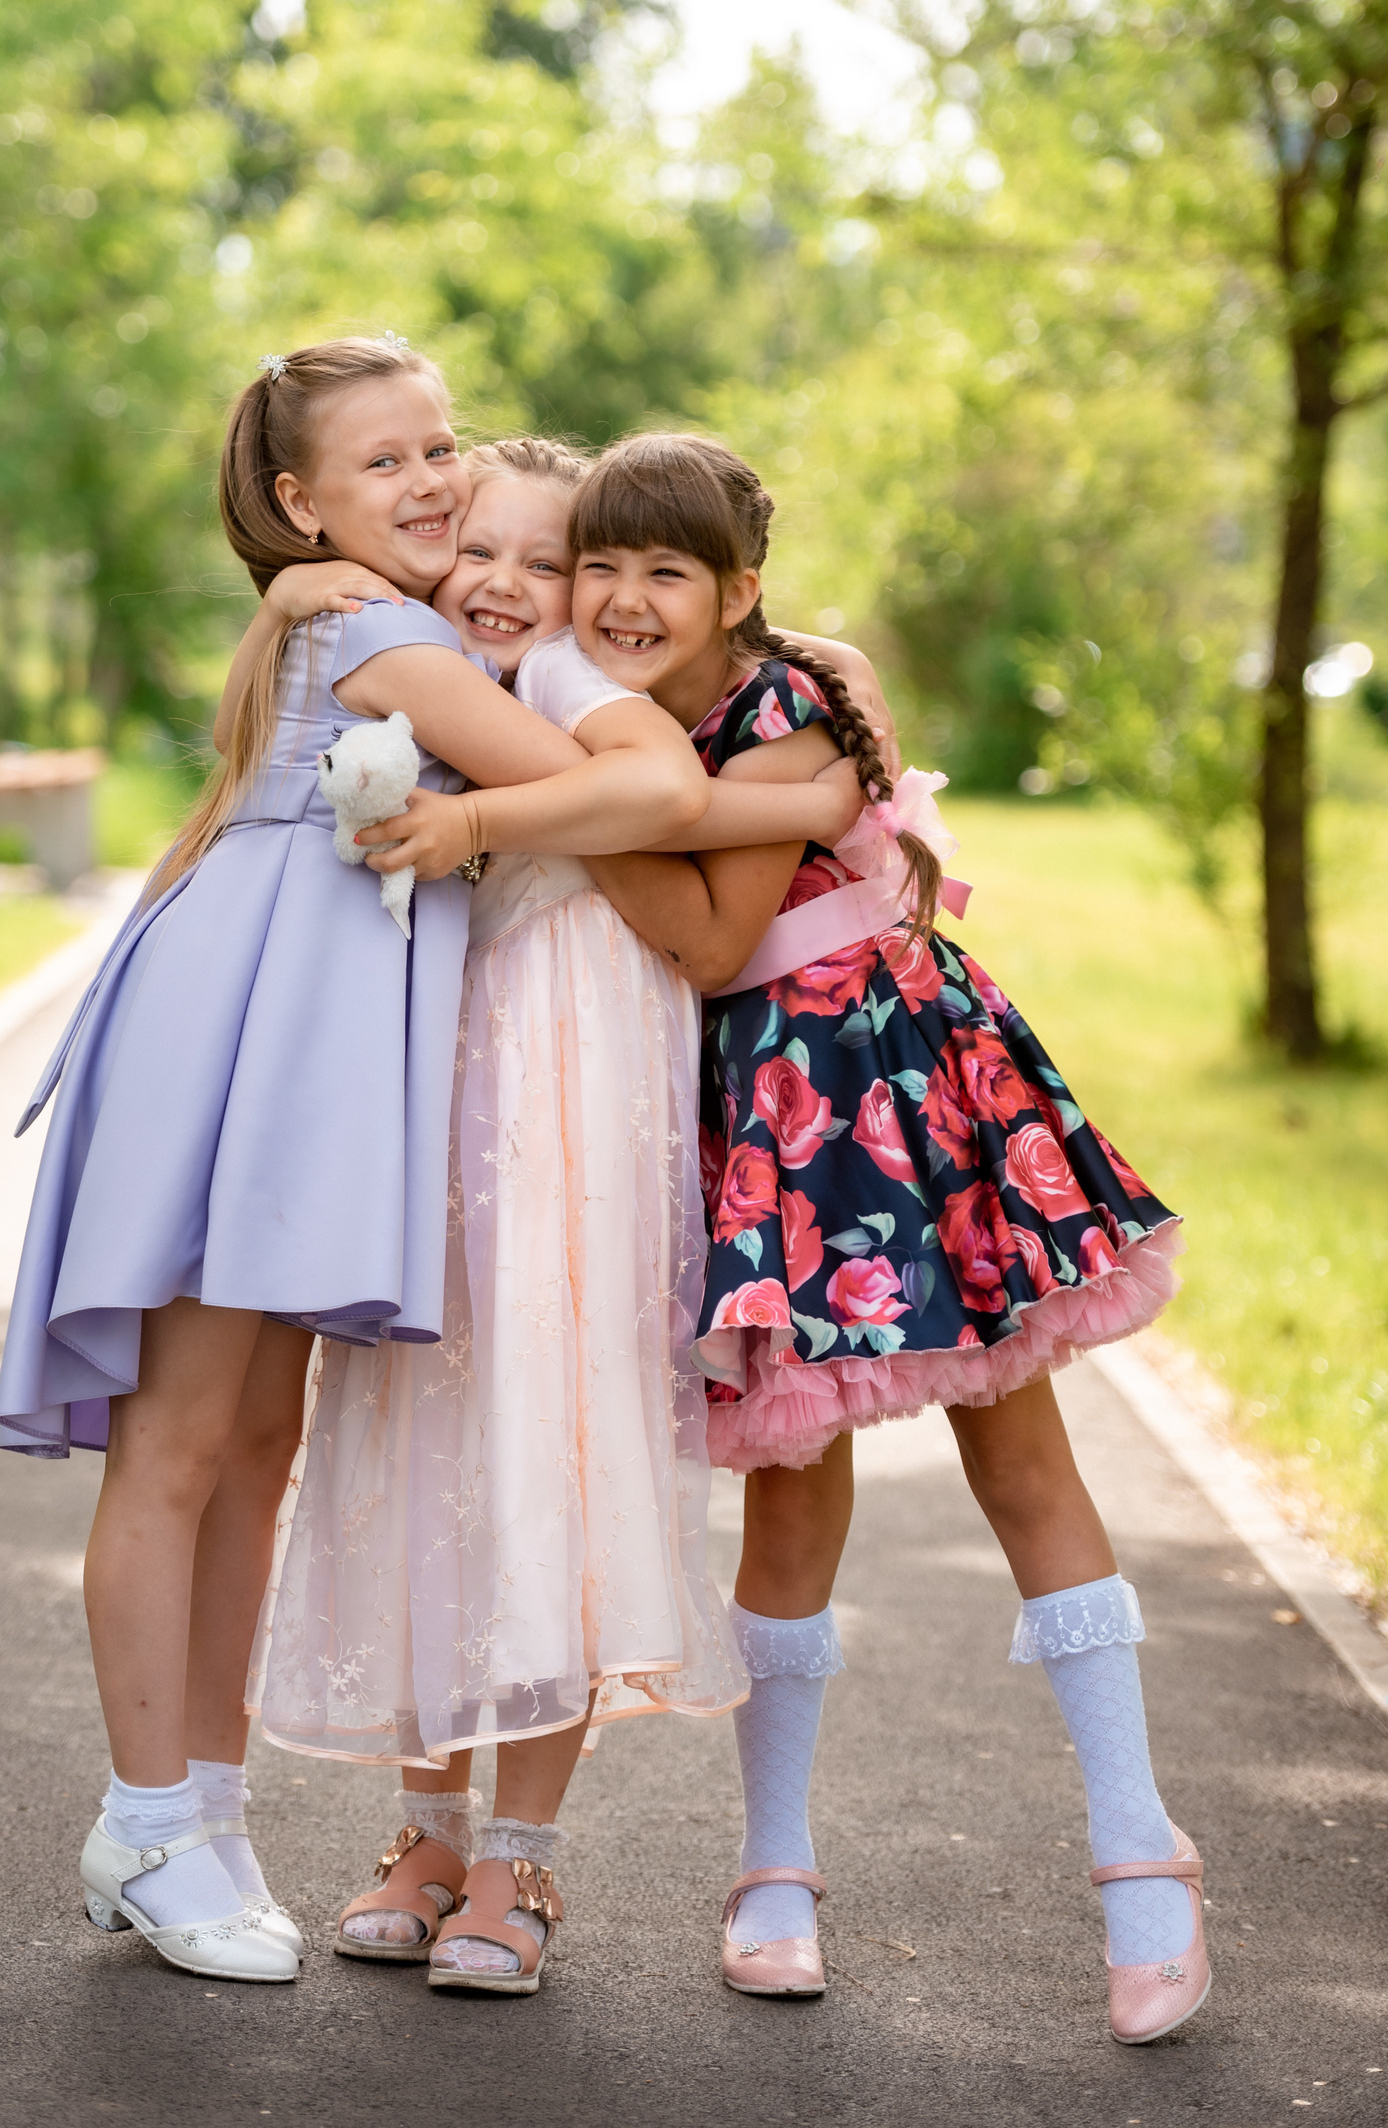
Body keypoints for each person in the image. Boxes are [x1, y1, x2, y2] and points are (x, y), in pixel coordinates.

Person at [0, 339, 719, 1984]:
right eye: (381, 463)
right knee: (182, 1442)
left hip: (288, 1049)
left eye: (438, 447)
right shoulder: (381, 630)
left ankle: (202, 1804)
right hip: (236, 1043)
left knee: (255, 1442)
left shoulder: (345, 609)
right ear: (300, 501)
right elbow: (641, 788)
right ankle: (145, 1812)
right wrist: (805, 782)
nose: (430, 480)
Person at [573, 433, 1205, 2047]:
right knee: (789, 1501)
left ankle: (1140, 1854)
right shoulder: (600, 719)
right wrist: (610, 782)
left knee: (1024, 1463)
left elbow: (721, 926)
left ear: (742, 587)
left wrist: (580, 818)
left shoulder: (801, 690)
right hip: (770, 1129)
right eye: (606, 565)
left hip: (907, 1092)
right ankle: (772, 1868)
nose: (628, 598)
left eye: (668, 569)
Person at [236, 435, 866, 1995]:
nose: (523, 587)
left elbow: (655, 792)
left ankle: (521, 1859)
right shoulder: (429, 660)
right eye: (496, 557)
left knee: (556, 1444)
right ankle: (423, 1826)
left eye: (553, 555)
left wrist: (484, 826)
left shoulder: (581, 675)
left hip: (581, 1097)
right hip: (445, 1099)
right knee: (420, 1434)